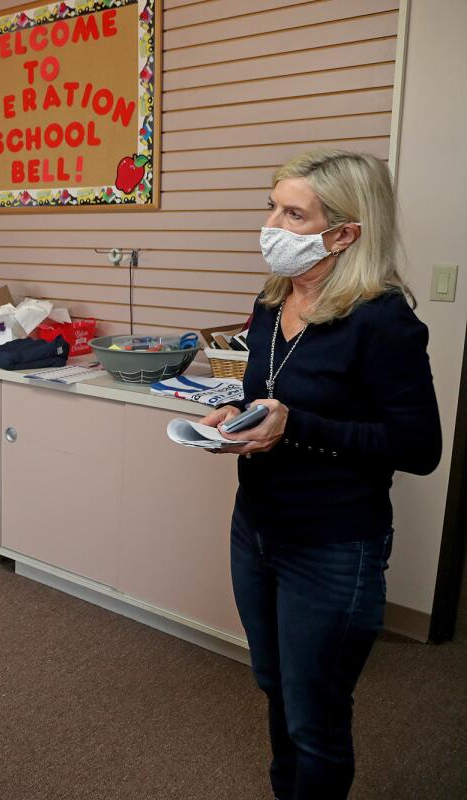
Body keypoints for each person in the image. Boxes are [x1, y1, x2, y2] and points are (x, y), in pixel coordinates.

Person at [200, 149, 441, 800]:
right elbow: (272, 392)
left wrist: (296, 426)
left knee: (316, 719)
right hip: (256, 529)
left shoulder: (383, 319)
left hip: (333, 547)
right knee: (275, 687)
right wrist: (238, 416)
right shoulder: (271, 298)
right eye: (272, 206)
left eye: (293, 212)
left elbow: (419, 448)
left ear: (344, 234)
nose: (272, 224)